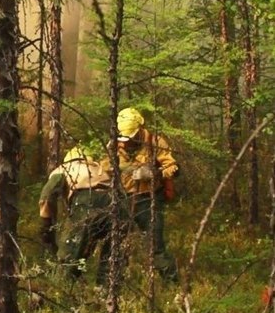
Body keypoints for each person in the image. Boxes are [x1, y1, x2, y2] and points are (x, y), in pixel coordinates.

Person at [108, 107, 179, 283]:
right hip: (123, 199)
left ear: (139, 129)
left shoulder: (155, 142)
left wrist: (154, 173)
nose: (128, 141)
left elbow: (174, 168)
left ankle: (173, 285)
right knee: (118, 245)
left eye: (131, 135)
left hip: (149, 200)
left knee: (155, 248)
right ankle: (114, 285)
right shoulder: (115, 145)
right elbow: (105, 167)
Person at [39, 146, 119, 284]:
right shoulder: (99, 169)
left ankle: (59, 291)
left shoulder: (64, 169)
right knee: (111, 258)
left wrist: (46, 224)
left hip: (86, 203)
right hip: (117, 203)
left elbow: (47, 195)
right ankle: (106, 294)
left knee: (70, 253)